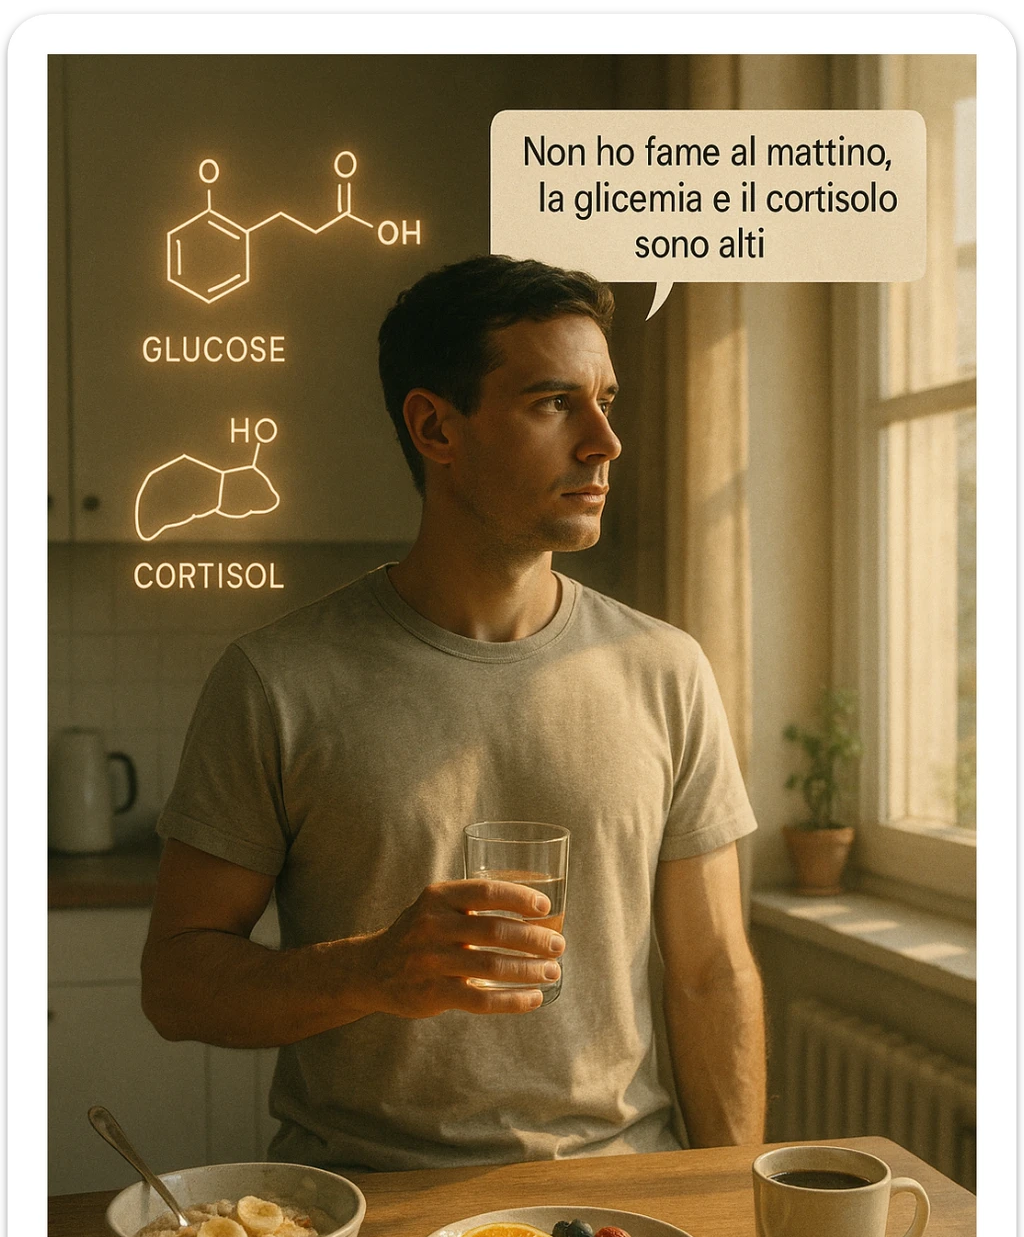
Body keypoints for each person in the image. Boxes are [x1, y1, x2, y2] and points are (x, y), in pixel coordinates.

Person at [142, 254, 766, 1172]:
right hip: (368, 1203)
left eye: (606, 400)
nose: (605, 442)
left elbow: (713, 973)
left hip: (618, 1207)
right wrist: (372, 970)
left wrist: (734, 1203)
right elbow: (178, 984)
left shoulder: (665, 669)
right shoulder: (278, 680)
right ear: (436, 426)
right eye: (555, 403)